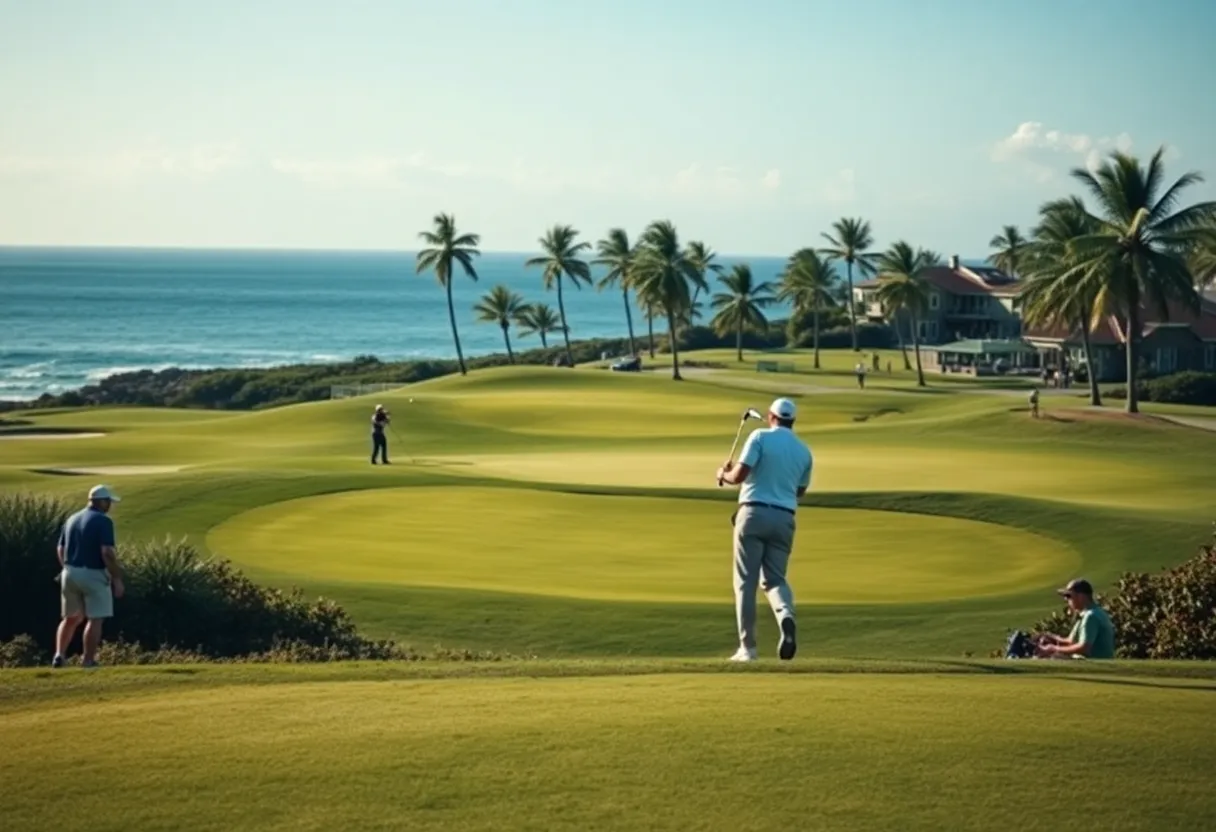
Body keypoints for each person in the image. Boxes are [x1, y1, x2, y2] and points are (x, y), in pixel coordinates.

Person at [716, 397, 813, 662]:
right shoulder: (804, 451)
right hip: (784, 518)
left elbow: (738, 476)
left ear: (771, 416)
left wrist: (722, 474)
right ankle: (786, 617)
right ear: (792, 420)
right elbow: (800, 491)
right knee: (775, 579)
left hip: (753, 513)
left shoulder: (759, 436)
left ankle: (748, 649)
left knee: (745, 582)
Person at [53, 485, 125, 669]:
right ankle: (88, 660)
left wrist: (67, 568)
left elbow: (60, 549)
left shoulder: (72, 519)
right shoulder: (103, 521)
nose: (109, 505)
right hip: (93, 573)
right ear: (100, 501)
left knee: (70, 618)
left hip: (68, 572)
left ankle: (59, 655)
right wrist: (117, 578)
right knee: (96, 618)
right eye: (108, 501)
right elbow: (107, 552)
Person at [1034, 578, 1117, 659]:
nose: (1066, 599)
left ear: (1081, 596)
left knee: (1049, 658)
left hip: (1092, 664)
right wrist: (1052, 638)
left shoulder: (1090, 616)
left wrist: (1053, 649)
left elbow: (1084, 648)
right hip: (1090, 661)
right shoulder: (1092, 613)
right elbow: (1071, 641)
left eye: (1069, 596)